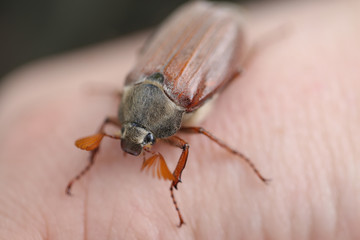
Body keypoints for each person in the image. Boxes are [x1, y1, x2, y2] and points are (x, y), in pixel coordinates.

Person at [0, 1, 359, 238]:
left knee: (225, 90)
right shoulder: (131, 90)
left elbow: (189, 136)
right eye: (132, 135)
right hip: (193, 24)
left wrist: (237, 155)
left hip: (218, 34)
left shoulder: (184, 101)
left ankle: (258, 48)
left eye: (141, 139)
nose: (131, 143)